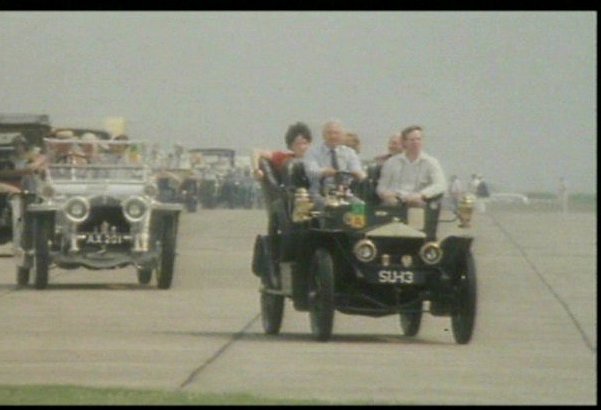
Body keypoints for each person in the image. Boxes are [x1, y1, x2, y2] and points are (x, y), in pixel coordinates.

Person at [376, 125, 446, 207]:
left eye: (418, 139)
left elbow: (440, 184)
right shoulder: (391, 162)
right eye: (412, 140)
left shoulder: (431, 162)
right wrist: (385, 194)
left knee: (416, 205)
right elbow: (382, 186)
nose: (416, 142)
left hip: (417, 200)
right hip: (394, 200)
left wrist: (422, 194)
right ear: (404, 142)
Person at [303, 119, 366, 199]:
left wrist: (360, 175)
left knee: (359, 206)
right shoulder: (313, 152)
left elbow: (356, 169)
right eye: (329, 133)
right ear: (323, 135)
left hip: (344, 191)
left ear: (342, 135)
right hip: (321, 192)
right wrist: (324, 172)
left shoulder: (349, 152)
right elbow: (310, 171)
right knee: (327, 206)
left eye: (336, 133)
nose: (333, 136)